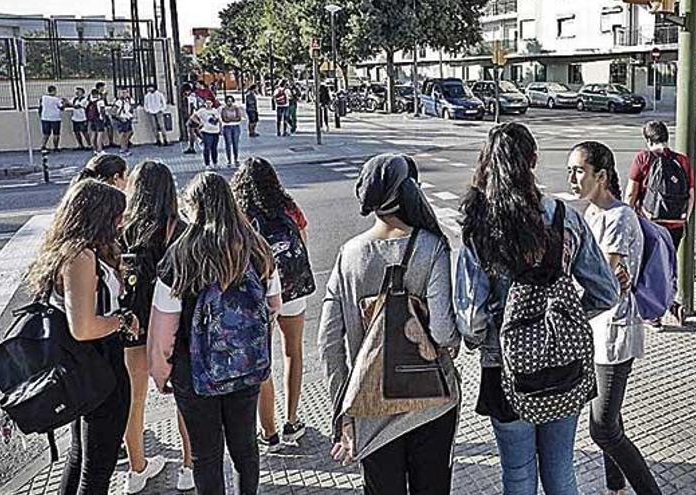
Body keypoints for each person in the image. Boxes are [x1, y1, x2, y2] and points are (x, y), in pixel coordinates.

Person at [455, 122, 618, 495]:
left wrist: (490, 338)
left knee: (517, 473)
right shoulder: (565, 217)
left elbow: (470, 319)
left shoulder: (480, 226)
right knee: (561, 471)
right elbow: (606, 292)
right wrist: (566, 316)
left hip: (504, 369)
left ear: (487, 164)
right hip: (564, 362)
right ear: (533, 160)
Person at [318, 154, 461, 494]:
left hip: (372, 405)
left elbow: (328, 343)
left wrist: (345, 410)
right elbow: (442, 332)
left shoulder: (349, 255)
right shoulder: (432, 247)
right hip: (431, 404)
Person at [148, 172, 281, 495]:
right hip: (248, 367)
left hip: (194, 373)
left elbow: (164, 333)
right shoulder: (257, 249)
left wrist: (161, 374)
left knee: (206, 456)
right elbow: (274, 306)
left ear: (194, 208)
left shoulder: (180, 256)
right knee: (246, 448)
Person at [25, 179, 138, 494]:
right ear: (98, 216)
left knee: (80, 457)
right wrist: (122, 320)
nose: (122, 222)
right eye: (117, 216)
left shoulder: (72, 251)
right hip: (99, 368)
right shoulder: (80, 258)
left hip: (86, 367)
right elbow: (83, 327)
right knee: (97, 471)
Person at [568, 141, 662, 495]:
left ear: (602, 175)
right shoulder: (592, 214)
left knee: (602, 428)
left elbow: (603, 281)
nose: (573, 178)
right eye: (570, 171)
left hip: (614, 334)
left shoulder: (619, 218)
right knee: (610, 419)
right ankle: (615, 487)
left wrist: (591, 282)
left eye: (579, 170)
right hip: (596, 329)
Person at [119, 161, 195, 493]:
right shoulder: (179, 228)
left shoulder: (122, 229)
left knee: (133, 399)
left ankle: (137, 470)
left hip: (132, 327)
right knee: (184, 398)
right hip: (173, 326)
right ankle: (188, 468)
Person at [231, 157, 311, 452]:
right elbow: (303, 241)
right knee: (293, 352)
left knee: (262, 362)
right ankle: (291, 421)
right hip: (293, 287)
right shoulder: (289, 208)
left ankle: (270, 432)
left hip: (257, 296)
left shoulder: (240, 215)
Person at [624, 120, 694, 327]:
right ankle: (673, 305)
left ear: (647, 139)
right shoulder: (682, 161)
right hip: (675, 225)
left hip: (650, 224)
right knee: (668, 266)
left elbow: (631, 193)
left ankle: (654, 316)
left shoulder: (643, 158)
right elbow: (691, 194)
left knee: (648, 269)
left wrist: (630, 219)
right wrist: (684, 219)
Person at [189, 98, 222, 169]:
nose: (208, 105)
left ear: (212, 103)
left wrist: (220, 129)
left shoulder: (215, 111)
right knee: (207, 148)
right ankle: (207, 164)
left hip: (215, 131)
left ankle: (215, 163)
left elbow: (219, 120)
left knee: (214, 148)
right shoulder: (202, 111)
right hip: (206, 131)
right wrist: (200, 123)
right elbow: (192, 117)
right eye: (207, 103)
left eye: (210, 103)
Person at [220, 95, 245, 167]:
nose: (229, 102)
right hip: (227, 127)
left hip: (236, 127)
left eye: (231, 101)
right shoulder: (224, 109)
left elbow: (239, 118)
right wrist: (233, 118)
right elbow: (224, 119)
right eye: (228, 101)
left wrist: (230, 118)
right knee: (228, 144)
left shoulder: (236, 108)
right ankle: (229, 160)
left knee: (235, 144)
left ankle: (236, 159)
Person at [39, 85, 65, 152]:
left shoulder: (43, 98)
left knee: (46, 133)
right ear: (54, 91)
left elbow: (40, 106)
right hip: (55, 118)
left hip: (45, 117)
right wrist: (65, 103)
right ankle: (55, 147)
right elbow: (61, 107)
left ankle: (43, 146)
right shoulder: (56, 99)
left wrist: (41, 115)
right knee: (56, 133)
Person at [113, 89, 136, 156]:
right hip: (122, 119)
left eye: (126, 92)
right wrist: (120, 118)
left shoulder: (129, 100)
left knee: (129, 132)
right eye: (123, 92)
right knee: (123, 134)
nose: (125, 94)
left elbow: (131, 108)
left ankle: (125, 146)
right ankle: (123, 149)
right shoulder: (119, 102)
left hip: (128, 118)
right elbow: (114, 112)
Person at [96, 81, 117, 149]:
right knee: (100, 130)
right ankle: (100, 144)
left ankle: (110, 141)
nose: (103, 88)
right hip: (100, 114)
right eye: (102, 87)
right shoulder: (97, 95)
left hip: (104, 113)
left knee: (109, 127)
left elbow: (105, 104)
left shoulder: (102, 95)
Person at [86, 88, 107, 154]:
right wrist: (104, 118)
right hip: (99, 119)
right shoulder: (100, 101)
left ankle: (94, 149)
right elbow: (102, 110)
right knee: (100, 134)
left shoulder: (89, 101)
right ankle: (100, 149)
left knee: (93, 134)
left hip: (92, 119)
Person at [182, 84, 200, 155]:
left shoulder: (191, 97)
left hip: (192, 116)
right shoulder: (191, 96)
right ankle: (192, 146)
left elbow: (192, 107)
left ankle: (192, 147)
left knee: (191, 132)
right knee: (196, 131)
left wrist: (190, 117)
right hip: (193, 116)